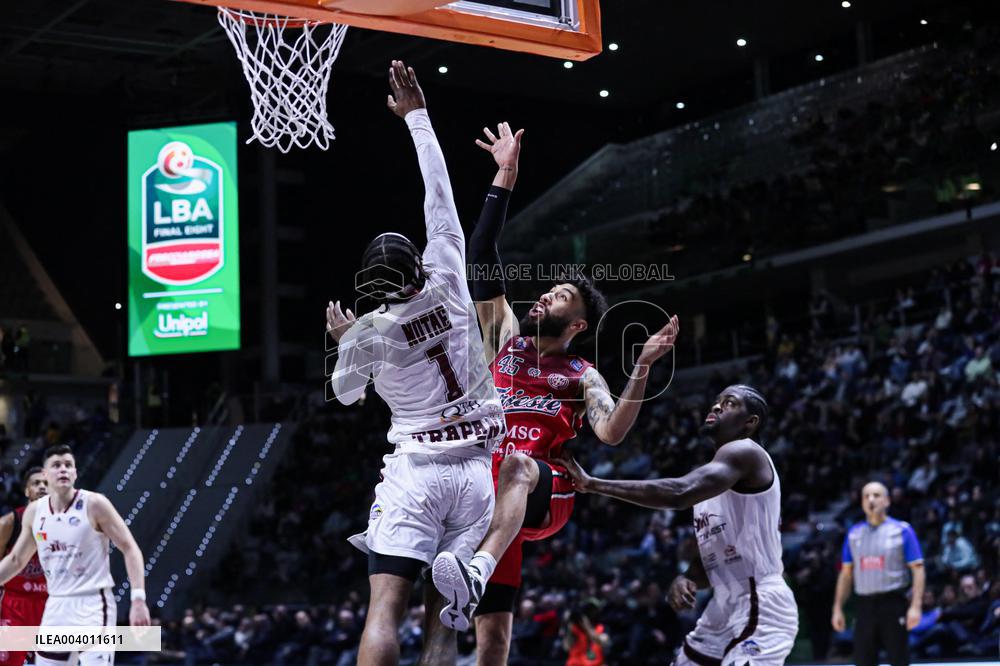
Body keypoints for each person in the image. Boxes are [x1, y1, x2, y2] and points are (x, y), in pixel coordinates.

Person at [430, 120, 680, 665]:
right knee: (484, 637)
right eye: (547, 289)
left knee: (517, 464)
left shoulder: (583, 373)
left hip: (545, 492)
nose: (544, 295)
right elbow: (481, 255)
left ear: (579, 324)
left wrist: (640, 367)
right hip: (487, 501)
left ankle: (475, 568)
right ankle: (464, 573)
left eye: (560, 294)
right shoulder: (506, 341)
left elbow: (611, 432)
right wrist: (504, 176)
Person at [326, 60, 505, 666]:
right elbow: (439, 193)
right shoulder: (449, 276)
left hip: (418, 471)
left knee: (385, 610)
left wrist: (349, 341)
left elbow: (347, 394)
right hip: (477, 472)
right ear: (417, 265)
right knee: (442, 621)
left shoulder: (373, 330)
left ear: (375, 286)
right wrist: (418, 118)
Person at [559, 385, 799, 665]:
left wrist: (594, 484)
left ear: (750, 422)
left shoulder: (746, 452)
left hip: (761, 601)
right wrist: (687, 578)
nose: (717, 407)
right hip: (724, 605)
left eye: (730, 403)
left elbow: (679, 492)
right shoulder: (714, 484)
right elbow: (712, 563)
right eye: (717, 401)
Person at [0, 444, 150, 665]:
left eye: (68, 465)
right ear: (45, 473)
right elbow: (16, 560)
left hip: (93, 604)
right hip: (56, 605)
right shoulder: (35, 512)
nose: (63, 470)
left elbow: (130, 548)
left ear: (75, 473)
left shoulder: (95, 504)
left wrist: (138, 599)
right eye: (57, 465)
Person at [831, 481, 925, 666]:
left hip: (894, 603)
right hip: (865, 606)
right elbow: (846, 574)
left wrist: (916, 606)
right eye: (866, 496)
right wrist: (837, 608)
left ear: (887, 501)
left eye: (876, 495)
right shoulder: (854, 534)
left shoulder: (902, 530)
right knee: (863, 661)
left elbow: (918, 570)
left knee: (899, 660)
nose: (871, 500)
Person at [0, 467, 48, 666]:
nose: (42, 487)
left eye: (46, 483)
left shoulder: (66, 523)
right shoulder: (10, 522)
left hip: (51, 606)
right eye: (36, 483)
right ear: (27, 491)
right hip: (14, 605)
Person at [563, 600, 608, 666]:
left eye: (592, 610)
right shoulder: (574, 629)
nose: (590, 613)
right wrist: (568, 627)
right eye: (587, 610)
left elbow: (602, 642)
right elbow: (567, 647)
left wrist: (586, 626)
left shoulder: (601, 627)